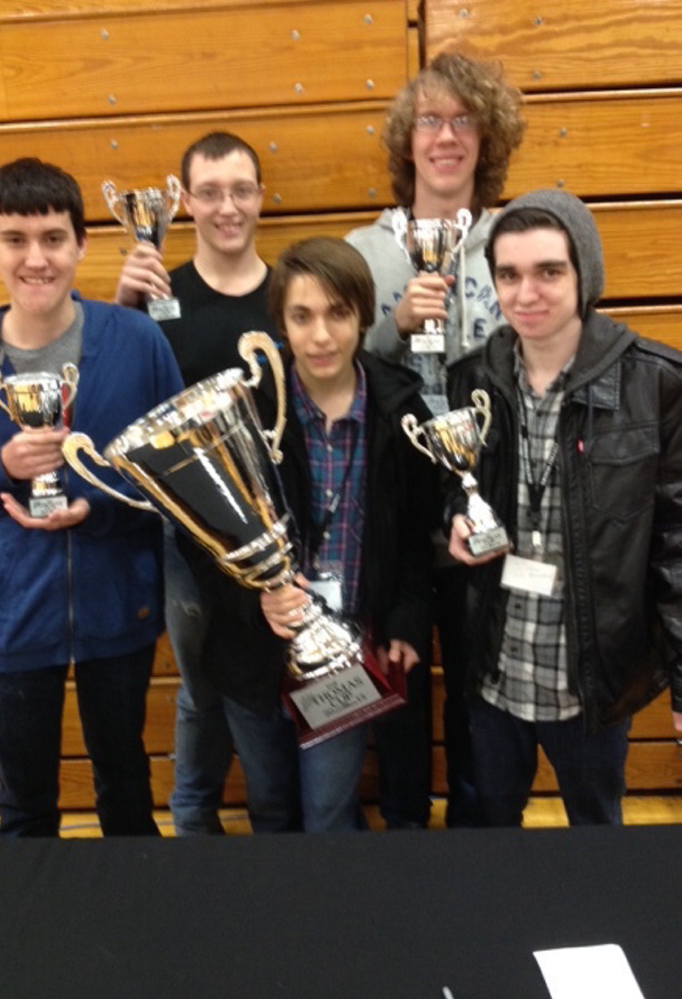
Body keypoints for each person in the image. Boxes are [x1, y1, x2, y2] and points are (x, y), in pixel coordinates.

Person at [0, 158, 183, 837]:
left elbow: (172, 470)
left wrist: (96, 506)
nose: (35, 258)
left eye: (52, 237)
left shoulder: (136, 339)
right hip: (11, 610)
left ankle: (134, 935)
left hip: (117, 599)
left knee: (126, 788)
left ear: (80, 243)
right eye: (15, 238)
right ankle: (29, 941)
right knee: (24, 804)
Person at [176, 236, 436, 831]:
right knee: (269, 806)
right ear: (279, 324)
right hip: (253, 653)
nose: (321, 335)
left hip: (343, 655)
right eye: (302, 316)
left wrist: (404, 620)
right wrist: (254, 599)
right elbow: (199, 541)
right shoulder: (241, 412)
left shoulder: (400, 412)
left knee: (327, 811)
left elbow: (418, 536)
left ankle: (333, 920)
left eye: (338, 314)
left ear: (364, 317)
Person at [446, 188, 682, 826]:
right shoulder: (472, 378)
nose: (527, 293)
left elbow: (677, 545)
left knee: (595, 828)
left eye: (549, 271)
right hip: (496, 667)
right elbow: (455, 485)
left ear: (585, 274)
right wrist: (456, 522)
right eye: (509, 275)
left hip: (593, 679)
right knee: (495, 825)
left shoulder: (656, 383)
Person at [346, 52, 525, 827]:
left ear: (486, 140)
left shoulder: (518, 239)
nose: (445, 136)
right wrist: (393, 326)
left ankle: (480, 843)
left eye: (463, 121)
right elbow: (332, 368)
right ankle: (405, 842)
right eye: (429, 120)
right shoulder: (364, 251)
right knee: (399, 686)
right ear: (405, 139)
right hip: (389, 501)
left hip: (487, 498)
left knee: (481, 687)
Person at [114, 131, 279, 835]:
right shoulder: (156, 297)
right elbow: (117, 405)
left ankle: (284, 820)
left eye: (240, 190)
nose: (226, 206)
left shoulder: (291, 293)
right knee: (201, 684)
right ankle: (193, 819)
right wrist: (120, 308)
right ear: (182, 201)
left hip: (279, 535)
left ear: (261, 198)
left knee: (272, 680)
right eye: (209, 192)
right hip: (187, 539)